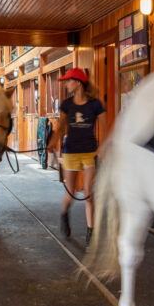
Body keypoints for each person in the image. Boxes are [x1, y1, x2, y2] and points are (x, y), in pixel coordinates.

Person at [47, 68, 106, 247]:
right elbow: (61, 127)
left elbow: (105, 127)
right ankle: (64, 214)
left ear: (78, 82)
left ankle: (91, 232)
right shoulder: (66, 104)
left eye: (68, 81)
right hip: (71, 151)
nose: (66, 84)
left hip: (89, 152)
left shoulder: (95, 105)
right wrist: (52, 143)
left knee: (89, 195)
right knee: (71, 194)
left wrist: (102, 148)